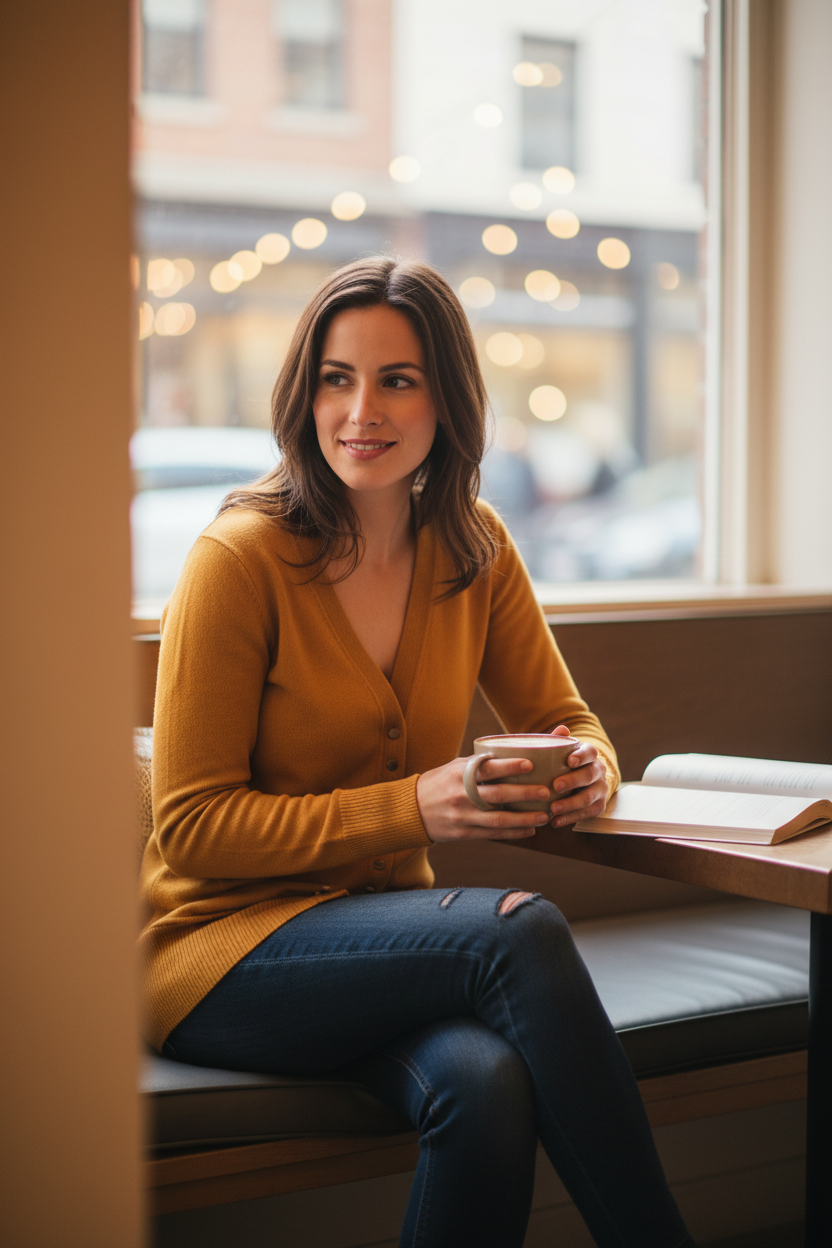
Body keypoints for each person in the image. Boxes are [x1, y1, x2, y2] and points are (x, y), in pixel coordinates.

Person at [140, 256, 694, 1248]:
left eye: (398, 378)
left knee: (482, 1086)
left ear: (446, 397)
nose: (363, 408)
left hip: (382, 948)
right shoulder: (239, 559)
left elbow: (572, 721)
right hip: (220, 956)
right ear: (303, 393)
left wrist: (584, 771)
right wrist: (416, 807)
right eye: (336, 377)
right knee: (515, 932)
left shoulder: (472, 547)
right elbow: (191, 830)